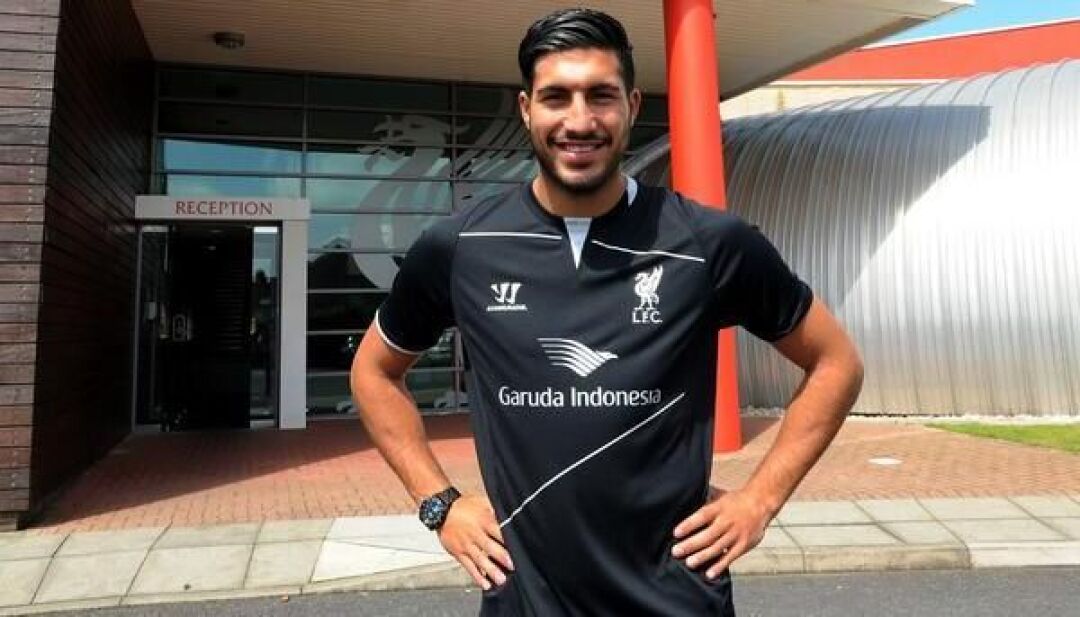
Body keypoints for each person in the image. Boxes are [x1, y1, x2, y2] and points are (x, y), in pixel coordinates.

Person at [350, 7, 864, 615]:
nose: (579, 121)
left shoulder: (708, 243)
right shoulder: (461, 247)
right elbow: (374, 373)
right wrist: (440, 504)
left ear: (632, 105)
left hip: (675, 599)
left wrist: (759, 500)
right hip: (525, 601)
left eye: (600, 95)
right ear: (526, 109)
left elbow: (835, 363)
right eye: (556, 97)